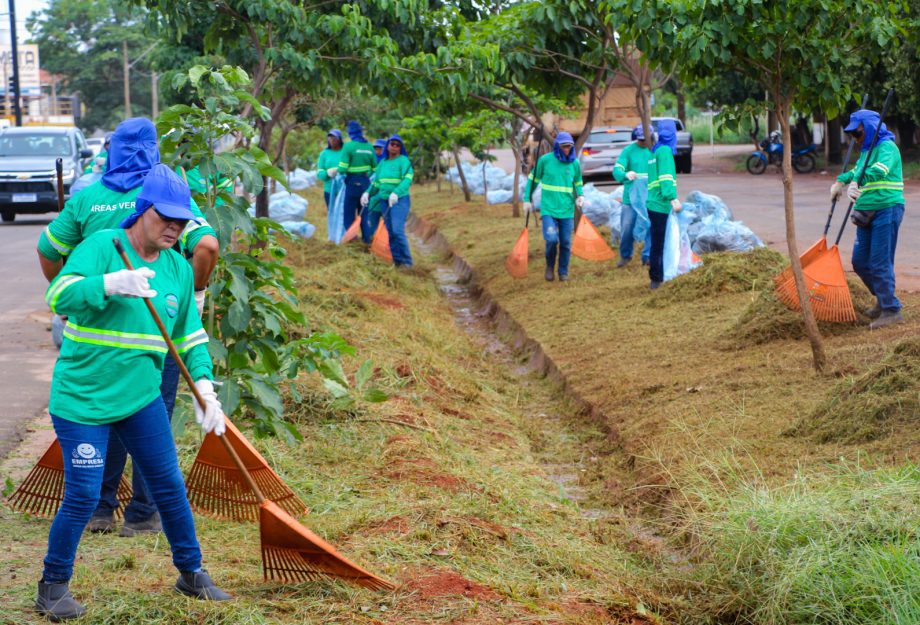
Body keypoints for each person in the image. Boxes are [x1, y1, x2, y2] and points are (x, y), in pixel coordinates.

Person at [35, 165, 230, 621]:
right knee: (84, 494)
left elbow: (189, 336)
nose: (174, 228)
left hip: (140, 399)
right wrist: (106, 285)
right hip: (83, 400)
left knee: (168, 485)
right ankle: (52, 585)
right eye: (166, 218)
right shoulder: (103, 247)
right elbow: (59, 295)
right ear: (143, 210)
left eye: (182, 222)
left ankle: (191, 571)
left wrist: (204, 386)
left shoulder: (180, 269)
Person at [37, 117, 220, 536]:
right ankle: (142, 513)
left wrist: (73, 292)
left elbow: (47, 249)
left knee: (104, 413)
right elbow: (207, 245)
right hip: (154, 332)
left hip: (93, 330)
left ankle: (101, 508)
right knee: (149, 413)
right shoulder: (166, 196)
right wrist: (194, 294)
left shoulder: (88, 199)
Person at [830, 109, 905, 329]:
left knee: (879, 262)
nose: (855, 137)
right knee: (860, 262)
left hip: (886, 208)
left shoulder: (887, 148)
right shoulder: (865, 152)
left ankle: (891, 309)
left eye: (858, 133)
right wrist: (840, 182)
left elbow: (879, 171)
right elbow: (856, 171)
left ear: (870, 128)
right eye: (852, 134)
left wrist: (859, 181)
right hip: (865, 211)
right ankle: (884, 299)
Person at [523, 132, 585, 282]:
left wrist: (580, 196)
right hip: (549, 209)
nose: (566, 149)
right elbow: (533, 179)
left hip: (567, 210)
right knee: (551, 239)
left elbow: (577, 181)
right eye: (564, 146)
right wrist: (526, 199)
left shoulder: (574, 163)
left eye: (569, 147)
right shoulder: (545, 161)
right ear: (557, 146)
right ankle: (550, 266)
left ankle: (563, 272)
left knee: (565, 242)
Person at [360, 135, 414, 266]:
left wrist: (396, 193)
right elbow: (376, 183)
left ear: (401, 148)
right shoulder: (382, 163)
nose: (394, 147)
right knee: (390, 232)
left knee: (397, 230)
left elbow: (407, 180)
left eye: (398, 145)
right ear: (388, 146)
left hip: (399, 201)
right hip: (384, 201)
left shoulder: (404, 161)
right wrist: (367, 193)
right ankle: (397, 261)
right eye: (392, 144)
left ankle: (407, 262)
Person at [646, 119, 681, 290]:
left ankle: (656, 276)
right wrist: (672, 198)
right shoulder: (665, 151)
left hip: (653, 202)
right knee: (661, 243)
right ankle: (658, 278)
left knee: (656, 242)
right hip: (661, 203)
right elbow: (666, 178)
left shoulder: (655, 151)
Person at [613, 124, 652, 267]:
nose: (643, 142)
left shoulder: (654, 151)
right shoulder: (628, 151)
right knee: (627, 227)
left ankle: (647, 256)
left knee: (650, 225)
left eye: (645, 139)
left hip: (650, 198)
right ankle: (625, 255)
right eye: (640, 140)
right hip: (631, 199)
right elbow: (617, 170)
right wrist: (625, 174)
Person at [336, 121, 376, 235]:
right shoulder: (369, 147)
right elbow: (375, 168)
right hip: (365, 183)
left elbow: (342, 168)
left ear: (350, 133)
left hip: (352, 183)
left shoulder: (348, 146)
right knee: (364, 214)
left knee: (348, 214)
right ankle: (367, 240)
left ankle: (351, 239)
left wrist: (337, 171)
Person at [316, 129, 344, 208]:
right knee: (332, 214)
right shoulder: (324, 154)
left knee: (343, 215)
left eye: (334, 138)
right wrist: (327, 173)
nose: (332, 140)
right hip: (329, 190)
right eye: (330, 138)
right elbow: (320, 173)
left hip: (344, 189)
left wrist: (338, 170)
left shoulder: (345, 152)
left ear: (340, 139)